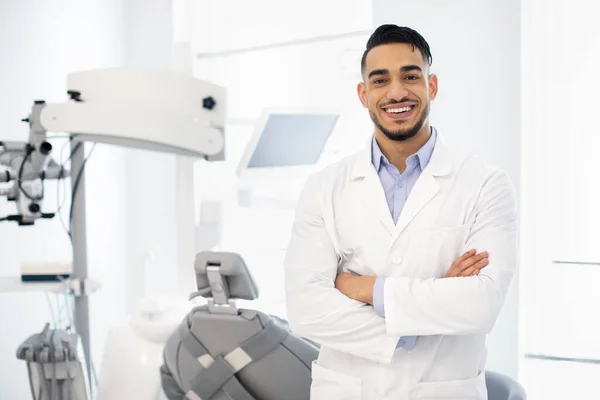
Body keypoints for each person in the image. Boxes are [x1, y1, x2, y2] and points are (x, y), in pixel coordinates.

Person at [283, 24, 518, 400]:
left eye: (411, 76)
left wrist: (364, 288)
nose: (396, 92)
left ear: (432, 86)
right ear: (363, 94)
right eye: (380, 81)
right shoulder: (324, 188)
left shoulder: (486, 184)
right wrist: (424, 314)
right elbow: (306, 309)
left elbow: (481, 305)